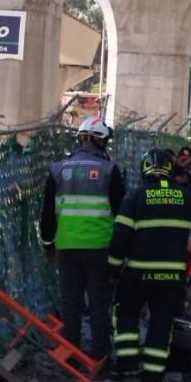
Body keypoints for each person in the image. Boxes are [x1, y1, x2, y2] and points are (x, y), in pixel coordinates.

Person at [108, 147, 191, 382]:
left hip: (137, 273)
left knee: (126, 314)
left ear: (145, 168)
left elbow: (120, 236)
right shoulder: (185, 197)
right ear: (171, 169)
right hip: (172, 276)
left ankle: (127, 368)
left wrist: (113, 269)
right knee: (161, 322)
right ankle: (153, 377)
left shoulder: (135, 197)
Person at [39, 116, 125, 366]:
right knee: (99, 301)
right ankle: (100, 354)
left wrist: (47, 243)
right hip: (100, 246)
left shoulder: (57, 169)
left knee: (71, 302)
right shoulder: (110, 171)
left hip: (66, 246)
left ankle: (71, 354)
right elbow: (120, 212)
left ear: (81, 138)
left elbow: (47, 213)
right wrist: (121, 250)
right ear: (102, 141)